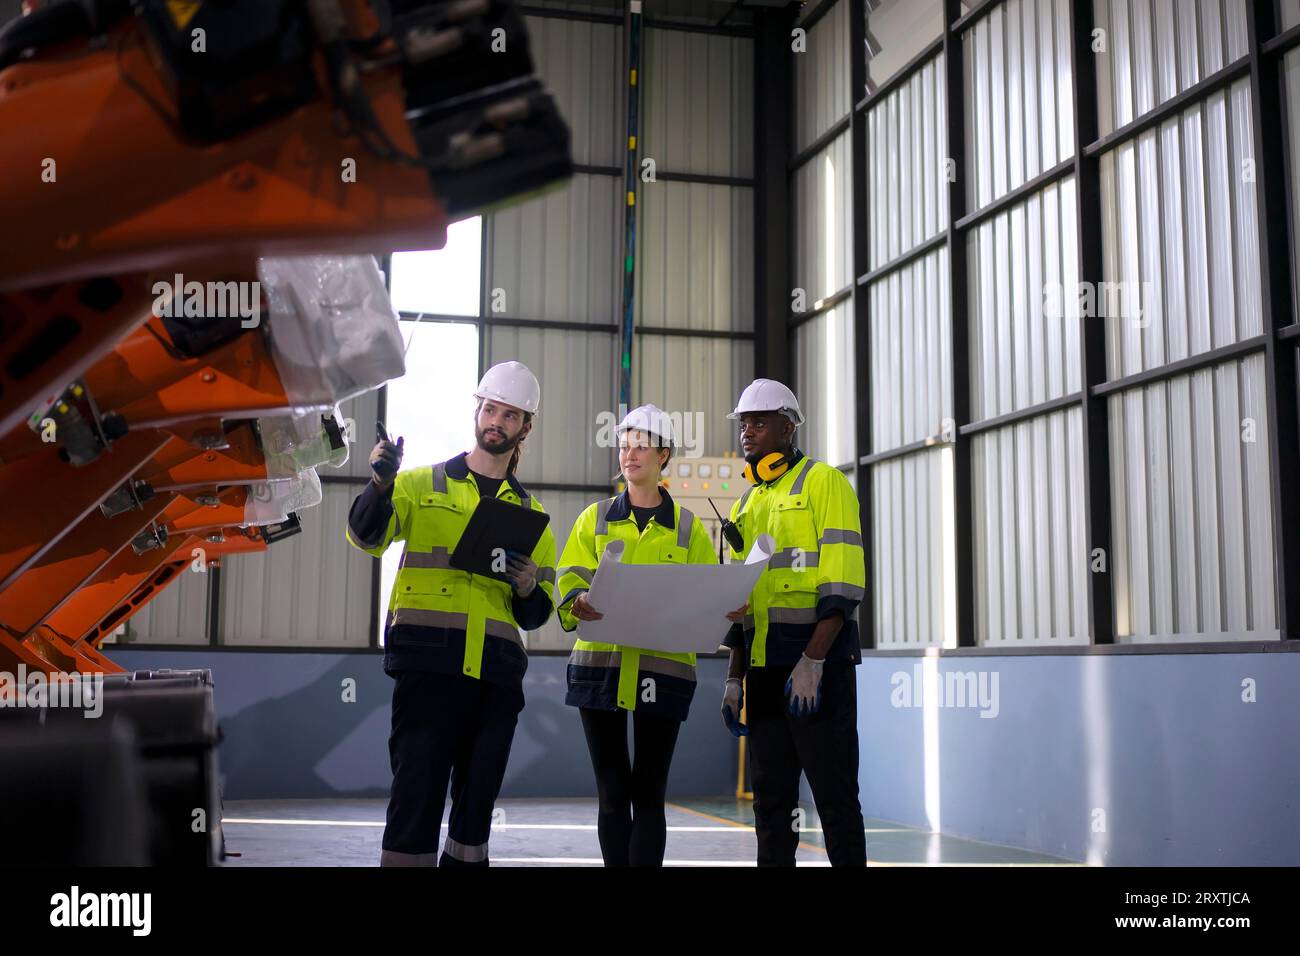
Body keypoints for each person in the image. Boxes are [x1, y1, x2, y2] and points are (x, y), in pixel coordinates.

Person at [346, 360, 557, 866]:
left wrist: (529, 586)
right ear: (477, 411)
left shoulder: (534, 518)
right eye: (490, 409)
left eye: (510, 415)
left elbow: (536, 614)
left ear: (525, 427)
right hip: (428, 671)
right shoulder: (419, 485)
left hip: (496, 678)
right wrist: (379, 485)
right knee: (414, 806)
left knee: (474, 821)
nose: (497, 422)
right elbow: (365, 537)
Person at [554, 404, 718, 866]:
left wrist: (725, 607)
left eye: (641, 446)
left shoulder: (688, 530)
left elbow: (706, 593)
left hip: (662, 673)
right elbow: (568, 576)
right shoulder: (595, 519)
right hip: (599, 669)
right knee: (611, 792)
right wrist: (575, 602)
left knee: (648, 794)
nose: (630, 454)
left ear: (664, 454)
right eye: (625, 446)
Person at [718, 378, 867, 866]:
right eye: (744, 424)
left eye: (759, 423)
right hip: (763, 675)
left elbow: (843, 585)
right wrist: (734, 679)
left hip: (819, 671)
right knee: (772, 805)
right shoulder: (746, 503)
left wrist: (812, 661)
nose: (748, 433)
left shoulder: (824, 483)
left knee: (835, 799)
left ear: (788, 426)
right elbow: (741, 605)